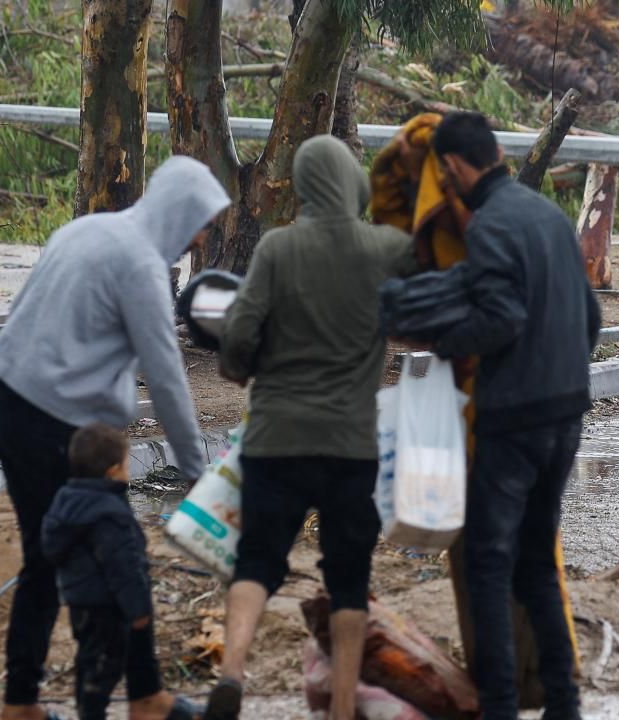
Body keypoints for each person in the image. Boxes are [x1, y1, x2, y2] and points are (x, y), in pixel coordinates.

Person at [0, 156, 229, 720]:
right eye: (202, 223)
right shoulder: (140, 264)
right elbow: (164, 374)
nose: (200, 236)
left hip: (10, 407)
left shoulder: (89, 229)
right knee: (117, 553)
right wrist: (199, 472)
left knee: (45, 558)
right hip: (57, 428)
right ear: (180, 213)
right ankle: (139, 697)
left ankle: (25, 702)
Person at [207, 135, 416, 720]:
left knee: (258, 559)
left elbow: (241, 334)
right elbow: (430, 283)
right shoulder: (384, 248)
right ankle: (344, 704)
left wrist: (237, 366)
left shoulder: (277, 248)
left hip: (276, 437)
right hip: (350, 443)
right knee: (348, 575)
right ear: (350, 181)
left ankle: (232, 672)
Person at [427, 111, 601, 720]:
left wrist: (447, 339)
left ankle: (499, 704)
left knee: (489, 561)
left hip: (515, 416)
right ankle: (564, 700)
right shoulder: (548, 215)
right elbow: (591, 318)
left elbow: (499, 319)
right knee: (535, 556)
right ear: (498, 149)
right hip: (567, 412)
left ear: (453, 168)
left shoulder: (490, 225)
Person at [40, 425, 199, 720]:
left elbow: (50, 547)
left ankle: (90, 710)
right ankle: (92, 714)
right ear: (114, 470)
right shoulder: (110, 514)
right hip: (109, 607)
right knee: (105, 667)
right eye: (126, 464)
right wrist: (139, 609)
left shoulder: (65, 501)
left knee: (89, 661)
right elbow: (123, 568)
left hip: (79, 603)